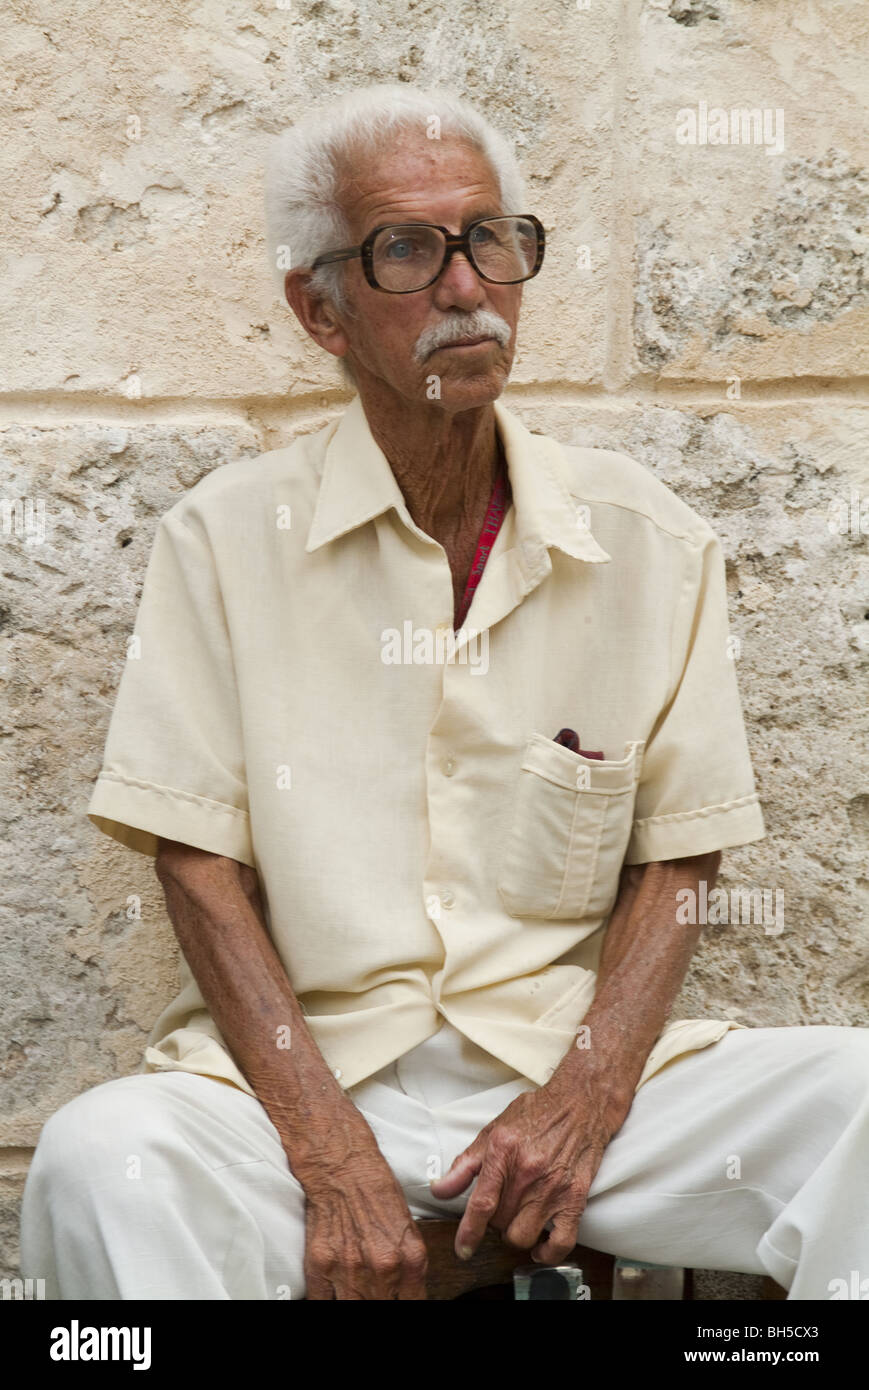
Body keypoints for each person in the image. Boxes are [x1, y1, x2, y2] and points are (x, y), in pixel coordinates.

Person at [20, 84, 869, 1301]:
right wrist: (328, 1153)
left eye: (490, 239)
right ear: (321, 310)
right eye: (407, 250)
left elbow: (679, 862)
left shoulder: (644, 539)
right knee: (102, 1162)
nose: (465, 286)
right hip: (299, 1087)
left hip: (566, 1089)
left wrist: (584, 1094)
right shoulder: (224, 541)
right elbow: (196, 864)